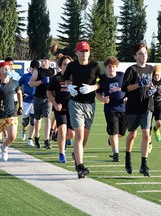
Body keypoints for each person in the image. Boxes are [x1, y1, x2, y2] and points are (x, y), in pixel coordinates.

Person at [63, 41, 106, 178]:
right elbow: (64, 78)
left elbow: (104, 81)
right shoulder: (72, 65)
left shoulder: (95, 66)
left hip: (90, 104)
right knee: (79, 136)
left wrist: (93, 88)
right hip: (75, 103)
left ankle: (76, 154)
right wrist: (68, 85)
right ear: (76, 52)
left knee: (85, 137)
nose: (84, 53)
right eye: (81, 51)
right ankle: (80, 166)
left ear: (89, 52)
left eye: (86, 51)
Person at [121, 42, 155, 177]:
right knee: (132, 134)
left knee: (146, 134)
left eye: (145, 53)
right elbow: (125, 88)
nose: (144, 56)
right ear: (135, 56)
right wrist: (138, 84)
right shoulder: (132, 70)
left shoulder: (151, 69)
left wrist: (155, 90)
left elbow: (152, 85)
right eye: (141, 53)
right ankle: (128, 157)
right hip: (133, 106)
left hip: (147, 105)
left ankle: (144, 164)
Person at [0, 62, 23, 169]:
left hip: (11, 113)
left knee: (12, 136)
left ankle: (5, 146)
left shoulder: (14, 82)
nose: (6, 69)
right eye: (3, 68)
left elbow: (19, 93)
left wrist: (20, 107)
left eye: (7, 67)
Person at [96, 57, 126, 162]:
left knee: (121, 132)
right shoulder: (103, 80)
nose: (111, 69)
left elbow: (129, 88)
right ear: (106, 68)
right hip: (110, 109)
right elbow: (98, 93)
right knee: (113, 132)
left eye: (113, 67)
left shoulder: (122, 76)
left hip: (123, 109)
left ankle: (111, 140)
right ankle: (115, 153)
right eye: (109, 67)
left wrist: (128, 97)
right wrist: (102, 99)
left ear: (116, 67)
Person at [47, 55, 75, 163]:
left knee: (71, 134)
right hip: (60, 109)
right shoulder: (56, 78)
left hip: (73, 109)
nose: (67, 66)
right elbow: (49, 93)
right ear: (60, 66)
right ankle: (61, 153)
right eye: (64, 64)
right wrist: (54, 104)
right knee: (62, 131)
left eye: (69, 64)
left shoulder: (74, 77)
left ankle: (63, 142)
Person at [30, 54, 55, 149]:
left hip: (48, 97)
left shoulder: (53, 71)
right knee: (37, 119)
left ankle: (47, 140)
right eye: (42, 61)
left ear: (49, 61)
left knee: (47, 118)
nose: (43, 63)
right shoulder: (37, 71)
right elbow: (31, 83)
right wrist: (41, 81)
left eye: (45, 61)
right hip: (38, 97)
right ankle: (36, 137)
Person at [18, 59, 39, 147]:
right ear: (30, 68)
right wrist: (21, 94)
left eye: (36, 69)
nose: (34, 70)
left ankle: (30, 139)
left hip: (35, 101)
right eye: (33, 68)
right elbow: (17, 85)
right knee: (25, 121)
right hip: (26, 101)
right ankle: (23, 130)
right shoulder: (25, 76)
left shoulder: (40, 77)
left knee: (33, 121)